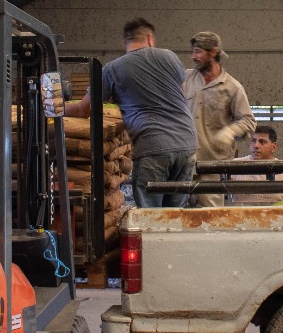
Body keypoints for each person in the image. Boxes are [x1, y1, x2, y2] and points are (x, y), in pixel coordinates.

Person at [65, 18, 198, 208]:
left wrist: (54, 107)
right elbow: (181, 94)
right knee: (175, 216)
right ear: (150, 38)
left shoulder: (113, 69)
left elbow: (82, 110)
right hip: (187, 144)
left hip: (153, 146)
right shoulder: (170, 57)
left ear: (124, 43)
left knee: (150, 217)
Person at [218, 124, 283, 333]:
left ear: (273, 147)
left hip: (273, 246)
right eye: (253, 141)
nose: (256, 146)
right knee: (237, 296)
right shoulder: (237, 168)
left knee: (271, 297)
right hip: (240, 244)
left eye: (262, 142)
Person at [181, 30, 256, 207]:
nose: (194, 56)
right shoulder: (186, 79)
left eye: (198, 51)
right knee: (176, 212)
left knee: (211, 214)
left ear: (213, 52)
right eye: (193, 51)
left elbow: (248, 120)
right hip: (183, 160)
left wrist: (230, 131)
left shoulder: (232, 88)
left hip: (212, 164)